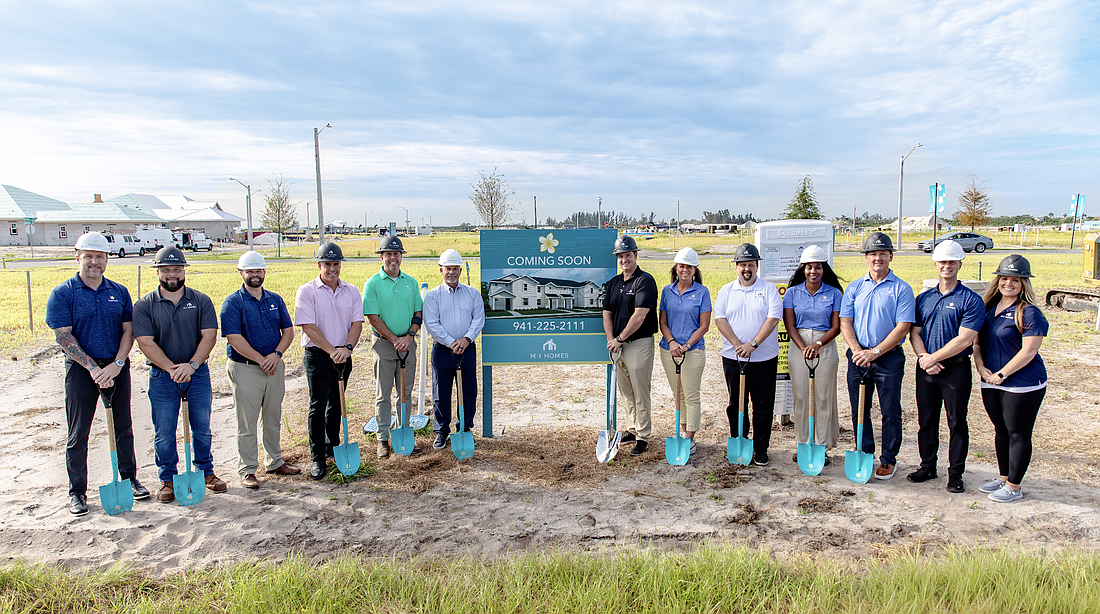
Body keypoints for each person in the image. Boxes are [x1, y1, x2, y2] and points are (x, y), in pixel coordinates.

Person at [46, 232, 148, 515]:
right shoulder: (63, 294)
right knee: (78, 432)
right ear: (77, 257)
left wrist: (116, 364)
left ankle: (130, 480)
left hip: (116, 367)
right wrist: (93, 368)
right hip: (82, 372)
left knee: (123, 427)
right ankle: (77, 492)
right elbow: (64, 337)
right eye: (88, 256)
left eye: (99, 257)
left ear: (106, 260)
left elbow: (129, 331)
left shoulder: (119, 291)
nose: (94, 262)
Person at [133, 246, 224, 503]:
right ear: (158, 272)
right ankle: (168, 479)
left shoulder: (200, 300)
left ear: (183, 271)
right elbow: (145, 341)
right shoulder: (145, 305)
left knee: (202, 428)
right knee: (164, 431)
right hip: (163, 378)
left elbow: (209, 336)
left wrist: (191, 365)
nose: (171, 275)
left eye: (176, 269)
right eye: (165, 270)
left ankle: (206, 472)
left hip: (197, 375)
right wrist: (172, 368)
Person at [907, 240, 985, 493]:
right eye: (943, 261)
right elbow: (914, 332)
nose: (947, 266)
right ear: (935, 264)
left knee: (956, 422)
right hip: (926, 368)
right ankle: (928, 466)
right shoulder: (924, 298)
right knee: (927, 420)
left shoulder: (971, 300)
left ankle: (955, 473)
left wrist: (934, 358)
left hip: (955, 370)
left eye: (952, 261)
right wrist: (923, 358)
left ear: (960, 264)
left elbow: (965, 338)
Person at [220, 251, 300, 490]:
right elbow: (234, 337)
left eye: (258, 271)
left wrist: (275, 356)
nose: (255, 275)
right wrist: (260, 359)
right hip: (246, 368)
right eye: (250, 271)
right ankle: (247, 470)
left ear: (264, 272)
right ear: (241, 273)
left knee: (272, 417)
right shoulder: (233, 302)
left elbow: (288, 330)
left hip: (273, 365)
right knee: (247, 422)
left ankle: (275, 461)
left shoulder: (274, 299)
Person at [839, 232, 916, 480]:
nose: (877, 258)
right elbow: (845, 322)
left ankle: (888, 459)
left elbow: (902, 327)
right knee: (859, 409)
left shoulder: (902, 289)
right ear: (866, 257)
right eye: (873, 254)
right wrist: (858, 351)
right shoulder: (855, 287)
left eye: (883, 254)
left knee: (890, 410)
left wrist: (875, 352)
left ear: (891, 256)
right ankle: (864, 451)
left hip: (887, 359)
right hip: (858, 357)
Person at [974, 254, 1048, 503]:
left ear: (1023, 283)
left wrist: (1003, 374)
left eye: (1016, 280)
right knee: (1001, 429)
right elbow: (976, 342)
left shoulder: (1029, 312)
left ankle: (1015, 487)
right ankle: (1004, 477)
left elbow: (1029, 351)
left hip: (1021, 384)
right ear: (998, 281)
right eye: (1004, 278)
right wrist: (982, 368)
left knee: (1018, 432)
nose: (1009, 284)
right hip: (991, 380)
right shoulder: (987, 309)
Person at [294, 242, 365, 479]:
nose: (332, 269)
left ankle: (332, 446)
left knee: (338, 404)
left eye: (336, 264)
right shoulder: (307, 291)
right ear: (319, 265)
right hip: (318, 355)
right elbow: (308, 326)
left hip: (344, 356)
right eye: (327, 264)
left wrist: (346, 348)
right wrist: (331, 350)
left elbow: (356, 323)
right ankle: (317, 458)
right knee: (318, 404)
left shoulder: (351, 291)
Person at [714, 243, 783, 466]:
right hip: (733, 358)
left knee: (763, 404)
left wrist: (753, 344)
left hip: (764, 358)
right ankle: (739, 440)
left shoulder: (768, 289)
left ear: (757, 266)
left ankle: (761, 448)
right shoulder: (727, 290)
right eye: (743, 265)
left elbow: (773, 319)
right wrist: (737, 345)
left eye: (751, 265)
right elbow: (720, 319)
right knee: (737, 402)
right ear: (736, 267)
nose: (747, 269)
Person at [362, 235, 423, 458]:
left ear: (401, 256)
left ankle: (404, 432)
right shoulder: (373, 283)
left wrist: (409, 336)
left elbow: (418, 313)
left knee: (405, 393)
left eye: (396, 254)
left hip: (408, 345)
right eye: (388, 254)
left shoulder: (411, 282)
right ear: (382, 256)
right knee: (384, 394)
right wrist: (393, 339)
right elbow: (372, 316)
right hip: (384, 346)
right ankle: (383, 439)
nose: (393, 258)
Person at [782, 245, 843, 467]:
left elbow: (836, 327)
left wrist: (817, 345)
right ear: (803, 269)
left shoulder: (834, 293)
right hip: (799, 345)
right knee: (801, 396)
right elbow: (790, 326)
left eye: (818, 267)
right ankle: (803, 443)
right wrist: (803, 347)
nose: (813, 271)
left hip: (824, 345)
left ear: (824, 269)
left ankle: (821, 445)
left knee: (823, 396)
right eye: (809, 267)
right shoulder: (792, 293)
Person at [603, 234, 659, 456]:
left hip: (638, 343)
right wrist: (612, 340)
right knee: (625, 390)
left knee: (640, 390)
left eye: (628, 255)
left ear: (636, 255)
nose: (624, 259)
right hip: (618, 345)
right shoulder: (614, 283)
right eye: (620, 256)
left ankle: (643, 436)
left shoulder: (645, 281)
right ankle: (632, 429)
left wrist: (620, 338)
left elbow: (640, 315)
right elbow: (607, 313)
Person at [423, 249, 485, 449]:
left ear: (460, 269)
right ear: (441, 270)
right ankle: (442, 431)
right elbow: (432, 323)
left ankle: (465, 429)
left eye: (455, 269)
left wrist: (466, 339)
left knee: (468, 390)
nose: (452, 273)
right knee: (441, 391)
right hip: (443, 350)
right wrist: (451, 342)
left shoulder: (472, 293)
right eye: (447, 268)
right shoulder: (433, 296)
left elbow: (478, 319)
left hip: (467, 349)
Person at [657, 247, 711, 456]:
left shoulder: (702, 292)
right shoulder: (666, 291)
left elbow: (704, 325)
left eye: (689, 266)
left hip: (693, 351)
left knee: (691, 394)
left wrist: (686, 345)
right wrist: (671, 342)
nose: (685, 270)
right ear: (676, 268)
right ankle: (683, 433)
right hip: (668, 350)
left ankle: (689, 438)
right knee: (677, 394)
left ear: (695, 269)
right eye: (682, 266)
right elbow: (663, 321)